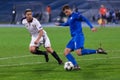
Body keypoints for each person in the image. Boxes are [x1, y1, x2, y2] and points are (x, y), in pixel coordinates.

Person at [56, 5, 107, 70]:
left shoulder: (76, 15)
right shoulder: (70, 17)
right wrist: (60, 24)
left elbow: (85, 19)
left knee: (78, 52)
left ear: (69, 9)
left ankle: (97, 51)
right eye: (65, 13)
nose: (66, 13)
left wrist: (91, 27)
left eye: (67, 11)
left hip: (78, 36)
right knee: (66, 52)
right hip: (74, 37)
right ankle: (76, 66)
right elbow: (67, 23)